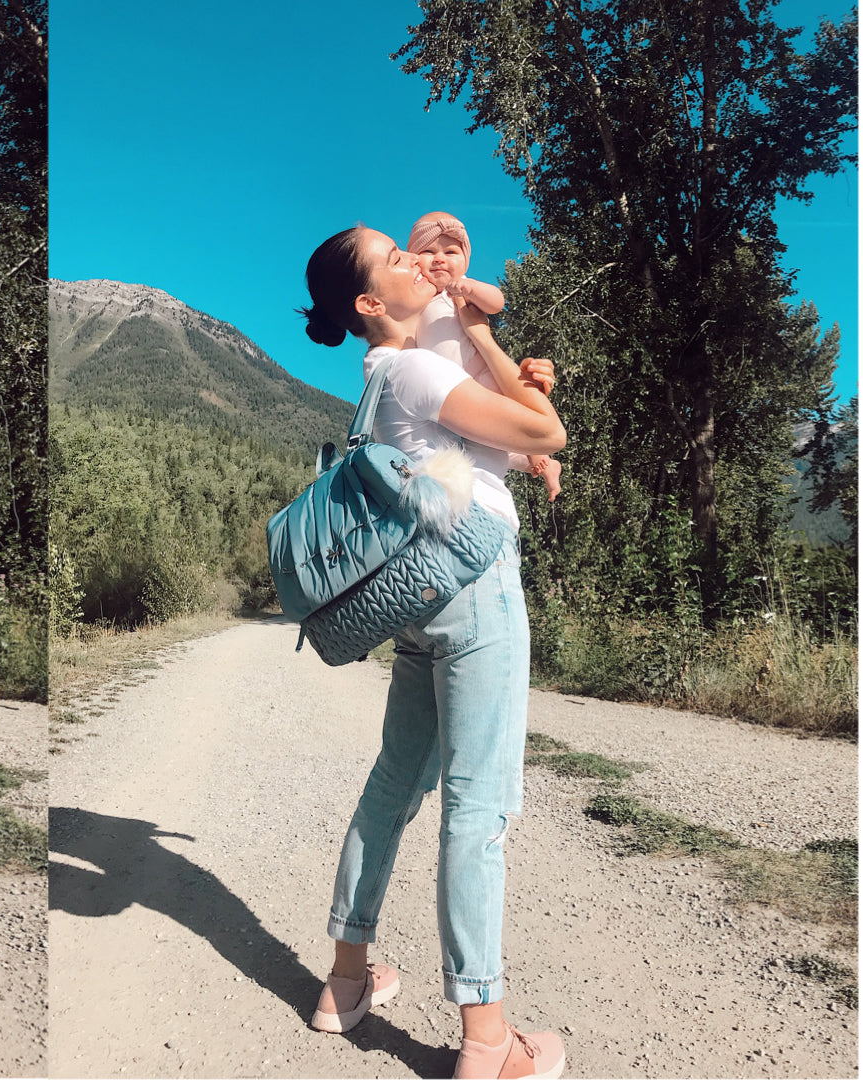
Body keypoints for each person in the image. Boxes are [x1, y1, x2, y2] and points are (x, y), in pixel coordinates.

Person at [298, 225, 567, 1080]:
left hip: (420, 604)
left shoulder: (380, 381)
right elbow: (550, 432)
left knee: (393, 785)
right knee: (478, 808)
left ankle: (345, 981)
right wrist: (485, 335)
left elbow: (501, 449)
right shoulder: (418, 370)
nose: (417, 261)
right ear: (370, 302)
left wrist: (515, 409)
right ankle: (489, 1040)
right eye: (396, 259)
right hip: (476, 587)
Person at [406, 211, 562, 503]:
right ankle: (532, 463)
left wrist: (470, 289)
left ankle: (541, 458)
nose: (439, 259)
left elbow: (497, 302)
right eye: (428, 252)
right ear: (414, 260)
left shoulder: (461, 289)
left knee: (510, 415)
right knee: (481, 441)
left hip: (478, 374)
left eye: (450, 252)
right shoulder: (418, 299)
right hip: (448, 391)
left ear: (465, 261)